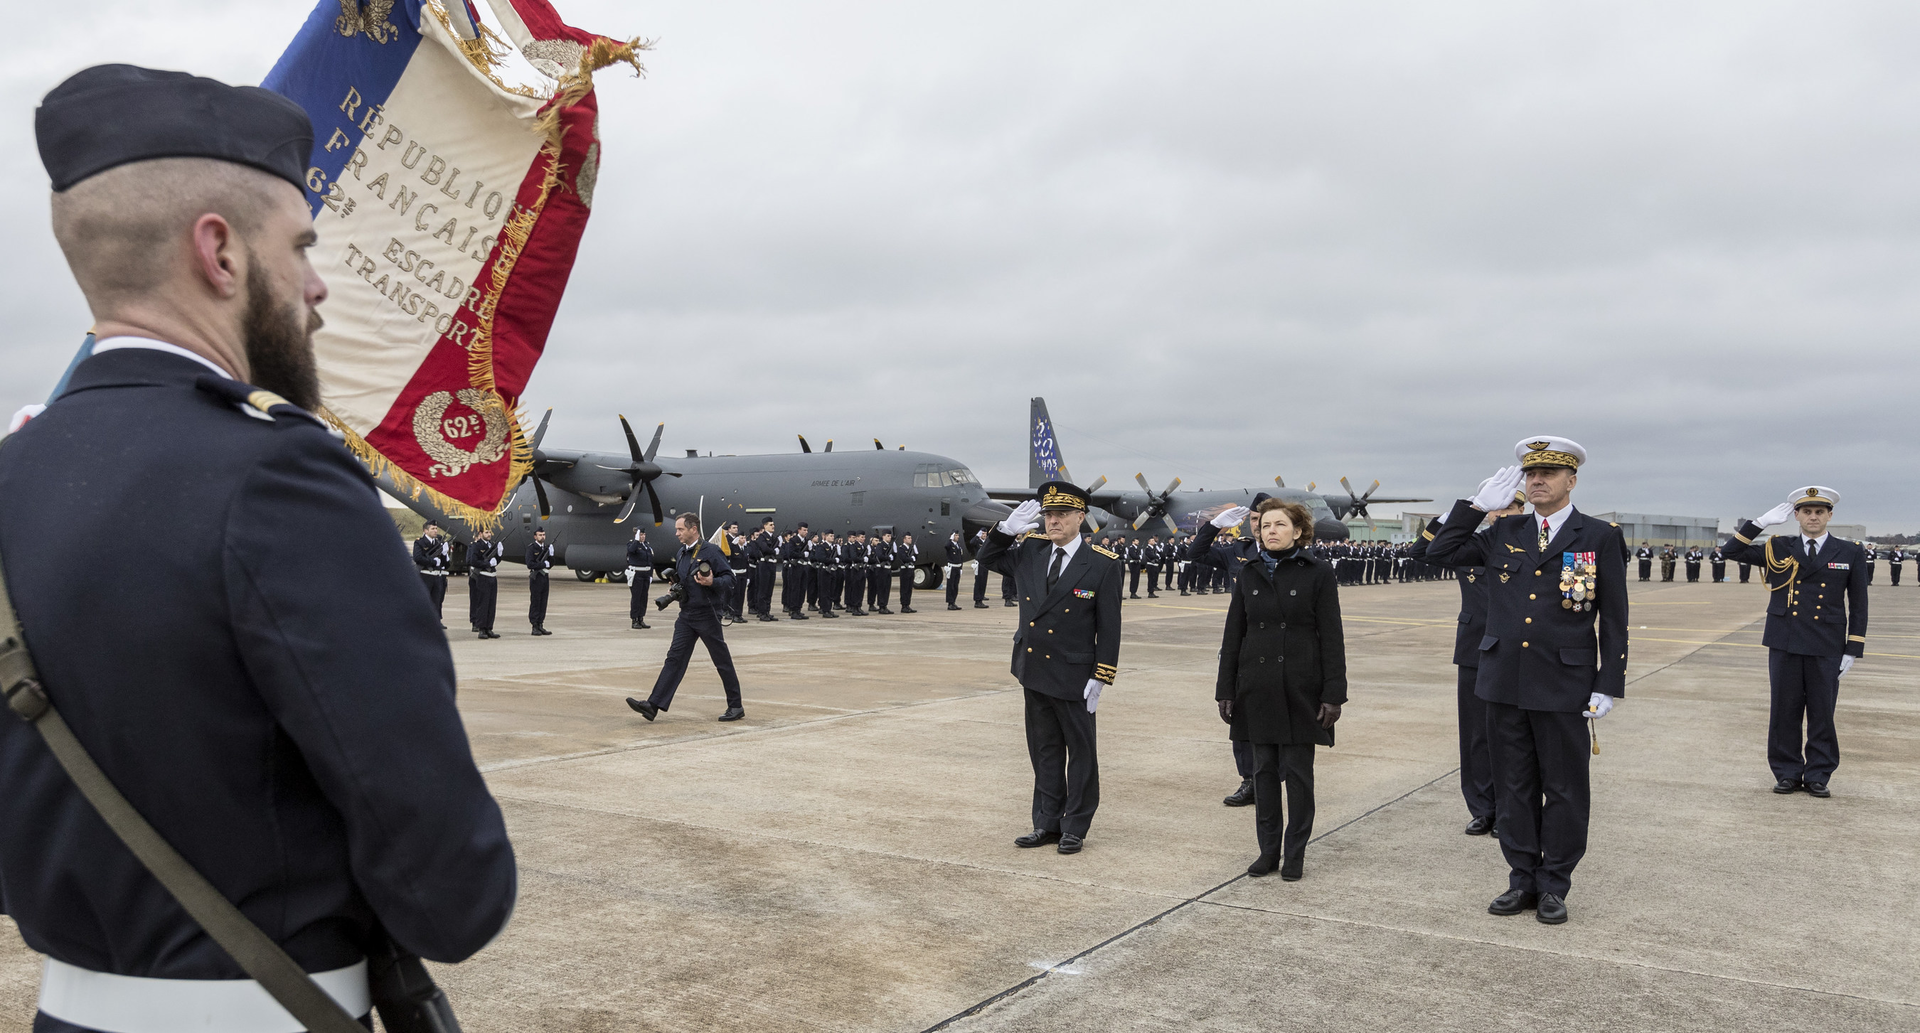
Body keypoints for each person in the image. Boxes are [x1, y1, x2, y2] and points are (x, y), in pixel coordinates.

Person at [0, 64, 515, 1030]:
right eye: (303, 248)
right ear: (220, 252)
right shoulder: (282, 478)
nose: (318, 287)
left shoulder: (10, 475)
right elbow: (453, 890)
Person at [1425, 437, 1628, 926]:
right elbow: (1438, 553)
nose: (1537, 481)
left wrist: (1609, 682)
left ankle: (1554, 884)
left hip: (1564, 682)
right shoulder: (1504, 530)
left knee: (1563, 788)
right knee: (1513, 787)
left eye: (1548, 474)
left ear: (1571, 480)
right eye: (1530, 474)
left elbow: (1615, 616)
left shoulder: (1598, 535)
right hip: (1504, 680)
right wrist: (1475, 508)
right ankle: (1521, 879)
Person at [975, 482, 1123, 855]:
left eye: (1061, 515)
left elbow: (1109, 626)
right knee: (1044, 750)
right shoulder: (1030, 552)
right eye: (1048, 515)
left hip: (1075, 674)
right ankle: (1045, 822)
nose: (1053, 521)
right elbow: (988, 559)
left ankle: (1075, 825)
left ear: (1079, 518)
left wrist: (1102, 675)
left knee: (1081, 753)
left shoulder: (1102, 564)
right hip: (1034, 668)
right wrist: (1006, 530)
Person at [1217, 499, 1346, 879]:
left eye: (1279, 525)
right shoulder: (1249, 572)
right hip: (1256, 688)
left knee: (1299, 777)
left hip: (1301, 688)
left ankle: (1295, 854)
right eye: (1265, 525)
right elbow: (1234, 634)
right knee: (1265, 776)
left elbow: (1332, 637)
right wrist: (1226, 689)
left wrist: (1333, 694)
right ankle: (1268, 851)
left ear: (1299, 531)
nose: (1270, 530)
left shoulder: (1318, 573)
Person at [1718, 488, 1867, 798]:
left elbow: (1859, 603)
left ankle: (1818, 774)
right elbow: (1729, 552)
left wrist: (1853, 648)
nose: (1813, 517)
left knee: (1822, 711)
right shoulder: (1778, 547)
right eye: (1806, 511)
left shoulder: (1849, 551)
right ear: (1796, 516)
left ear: (1830, 515)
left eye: (1819, 512)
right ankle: (1786, 772)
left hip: (1827, 643)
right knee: (1784, 710)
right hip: (1784, 640)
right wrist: (1758, 523)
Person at [1411, 484, 1528, 837]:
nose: (1504, 514)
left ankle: (1511, 812)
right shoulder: (1474, 546)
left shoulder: (1531, 548)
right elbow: (1422, 551)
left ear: (1522, 512)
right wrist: (1457, 514)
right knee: (1476, 735)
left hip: (1515, 652)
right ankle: (1482, 807)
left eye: (1512, 508)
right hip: (1475, 650)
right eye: (1499, 508)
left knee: (1512, 738)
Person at [626, 513, 746, 722]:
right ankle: (653, 705)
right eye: (677, 529)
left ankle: (736, 706)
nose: (677, 533)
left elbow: (729, 578)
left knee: (721, 660)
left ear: (693, 529)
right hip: (687, 614)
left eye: (680, 529)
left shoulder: (711, 551)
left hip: (707, 614)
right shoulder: (682, 552)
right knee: (674, 658)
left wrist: (712, 582)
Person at [412, 520, 451, 627]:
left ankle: (435, 623)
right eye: (432, 529)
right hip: (425, 576)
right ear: (425, 530)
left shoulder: (438, 543)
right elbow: (417, 558)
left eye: (436, 528)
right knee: (424, 601)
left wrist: (444, 555)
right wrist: (432, 561)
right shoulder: (419, 542)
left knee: (436, 601)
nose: (435, 531)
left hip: (436, 576)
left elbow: (445, 564)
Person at [469, 526, 502, 638]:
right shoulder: (477, 546)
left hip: (492, 576)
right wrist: (486, 564)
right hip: (483, 577)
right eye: (486, 532)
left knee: (491, 604)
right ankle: (481, 629)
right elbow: (473, 561)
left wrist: (499, 555)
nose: (489, 534)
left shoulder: (491, 545)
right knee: (483, 604)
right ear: (481, 533)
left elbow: (495, 561)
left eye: (490, 532)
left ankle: (489, 628)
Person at [748, 518, 781, 621]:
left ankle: (767, 611)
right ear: (765, 526)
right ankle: (762, 612)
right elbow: (765, 549)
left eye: (773, 524)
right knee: (763, 589)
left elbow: (779, 550)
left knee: (769, 590)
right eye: (771, 524)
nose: (773, 526)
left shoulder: (774, 538)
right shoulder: (762, 537)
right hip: (764, 565)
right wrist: (774, 551)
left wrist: (776, 548)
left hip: (772, 564)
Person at [526, 527, 555, 635]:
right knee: (536, 601)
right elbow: (530, 564)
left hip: (544, 577)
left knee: (543, 602)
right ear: (535, 536)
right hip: (536, 578)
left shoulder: (546, 548)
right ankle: (534, 625)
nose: (542, 537)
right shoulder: (531, 548)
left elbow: (551, 564)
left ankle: (540, 624)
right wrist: (543, 564)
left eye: (543, 534)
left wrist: (551, 556)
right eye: (540, 535)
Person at [626, 526, 654, 630]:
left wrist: (650, 575)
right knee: (636, 597)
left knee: (644, 598)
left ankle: (641, 618)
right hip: (636, 574)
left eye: (644, 535)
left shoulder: (646, 546)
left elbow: (650, 561)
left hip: (645, 574)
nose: (643, 536)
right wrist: (636, 540)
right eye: (641, 535)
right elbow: (631, 551)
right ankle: (634, 620)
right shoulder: (632, 544)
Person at [783, 523, 812, 619]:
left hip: (804, 567)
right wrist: (803, 555)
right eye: (804, 530)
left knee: (802, 589)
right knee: (795, 589)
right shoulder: (793, 540)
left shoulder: (806, 541)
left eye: (807, 530)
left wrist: (810, 550)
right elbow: (790, 553)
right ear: (799, 530)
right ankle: (793, 610)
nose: (806, 532)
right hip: (795, 567)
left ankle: (799, 608)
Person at [812, 529, 841, 618]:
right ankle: (825, 610)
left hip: (831, 571)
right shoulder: (821, 547)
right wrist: (833, 560)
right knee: (825, 591)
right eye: (830, 536)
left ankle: (829, 609)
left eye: (833, 536)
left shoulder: (833, 547)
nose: (832, 537)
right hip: (824, 571)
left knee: (831, 591)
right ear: (825, 537)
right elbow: (821, 558)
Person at [871, 530, 897, 614]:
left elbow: (892, 559)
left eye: (890, 536)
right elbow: (880, 556)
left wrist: (894, 555)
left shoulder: (889, 546)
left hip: (887, 569)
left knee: (887, 588)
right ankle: (881, 606)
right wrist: (888, 557)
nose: (889, 537)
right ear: (883, 537)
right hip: (881, 570)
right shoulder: (880, 545)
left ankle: (885, 605)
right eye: (888, 536)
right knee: (881, 588)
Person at [896, 532, 919, 613]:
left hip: (911, 569)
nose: (910, 540)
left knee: (909, 588)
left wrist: (916, 554)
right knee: (904, 588)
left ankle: (907, 604)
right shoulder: (901, 548)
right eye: (908, 538)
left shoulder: (911, 548)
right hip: (905, 570)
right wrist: (911, 559)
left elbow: (915, 559)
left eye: (911, 538)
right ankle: (903, 605)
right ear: (904, 539)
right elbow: (903, 558)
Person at [945, 531, 968, 610]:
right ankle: (950, 603)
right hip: (952, 567)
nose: (957, 537)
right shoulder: (950, 545)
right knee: (950, 586)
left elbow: (961, 558)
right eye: (956, 535)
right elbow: (946, 546)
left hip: (957, 567)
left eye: (958, 535)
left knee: (955, 586)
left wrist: (961, 568)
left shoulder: (958, 546)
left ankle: (954, 602)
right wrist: (950, 540)